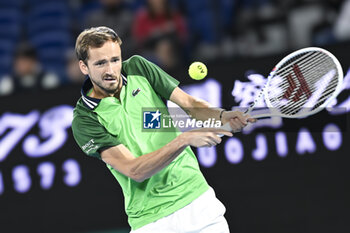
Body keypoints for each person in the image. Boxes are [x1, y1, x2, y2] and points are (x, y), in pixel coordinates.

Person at [71, 26, 255, 233]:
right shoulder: (85, 118)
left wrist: (221, 116)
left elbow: (188, 103)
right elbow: (134, 170)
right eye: (100, 63)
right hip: (151, 222)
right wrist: (184, 139)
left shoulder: (138, 68)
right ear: (84, 67)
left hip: (198, 204)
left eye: (115, 60)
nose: (111, 71)